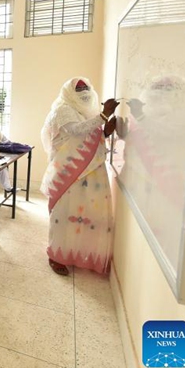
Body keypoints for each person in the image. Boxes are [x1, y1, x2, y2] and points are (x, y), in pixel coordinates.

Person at [41, 77, 117, 276]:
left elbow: (90, 134)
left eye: (86, 87)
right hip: (67, 170)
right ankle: (56, 254)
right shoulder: (63, 109)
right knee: (63, 212)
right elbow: (76, 131)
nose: (83, 91)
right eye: (79, 88)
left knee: (82, 211)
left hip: (88, 170)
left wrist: (105, 133)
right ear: (69, 92)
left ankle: (76, 251)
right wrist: (104, 116)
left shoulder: (88, 111)